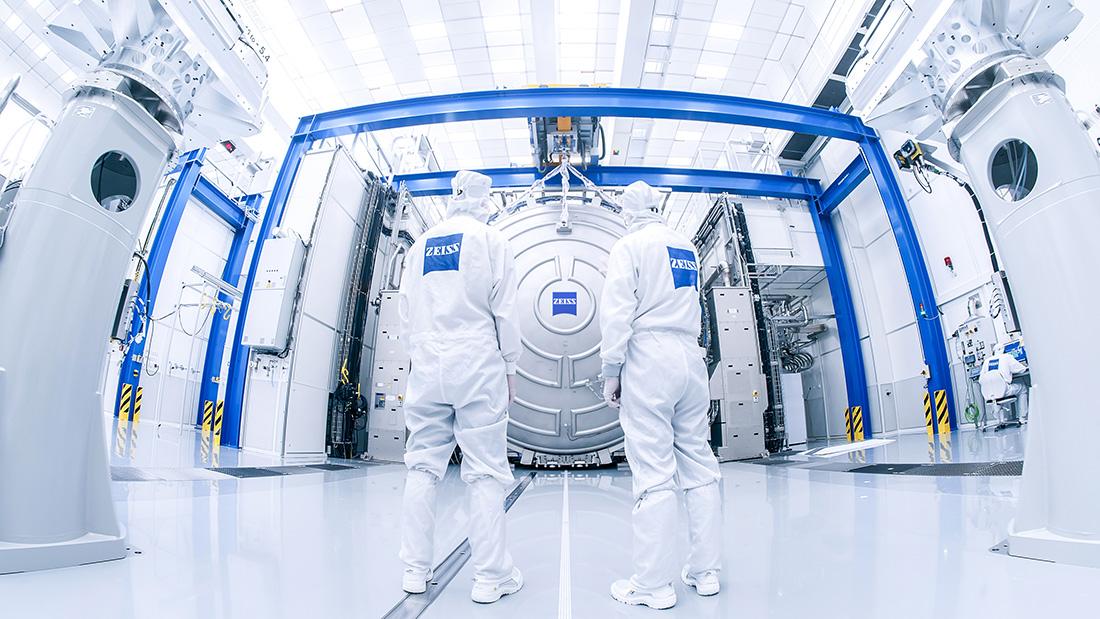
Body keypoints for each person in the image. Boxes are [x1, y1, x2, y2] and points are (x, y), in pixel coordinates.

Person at [397, 170, 524, 604]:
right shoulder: (491, 241)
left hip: (427, 360)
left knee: (422, 466)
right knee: (486, 470)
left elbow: (405, 310)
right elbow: (506, 311)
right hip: (477, 359)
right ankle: (490, 578)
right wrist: (510, 367)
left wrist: (425, 347)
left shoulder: (419, 247)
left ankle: (414, 570)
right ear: (483, 199)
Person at [598, 181, 724, 610]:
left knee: (653, 473)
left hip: (649, 356)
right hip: (690, 356)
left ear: (629, 210)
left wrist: (611, 372)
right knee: (700, 466)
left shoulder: (630, 246)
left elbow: (617, 315)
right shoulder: (684, 246)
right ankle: (704, 572)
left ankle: (653, 585)